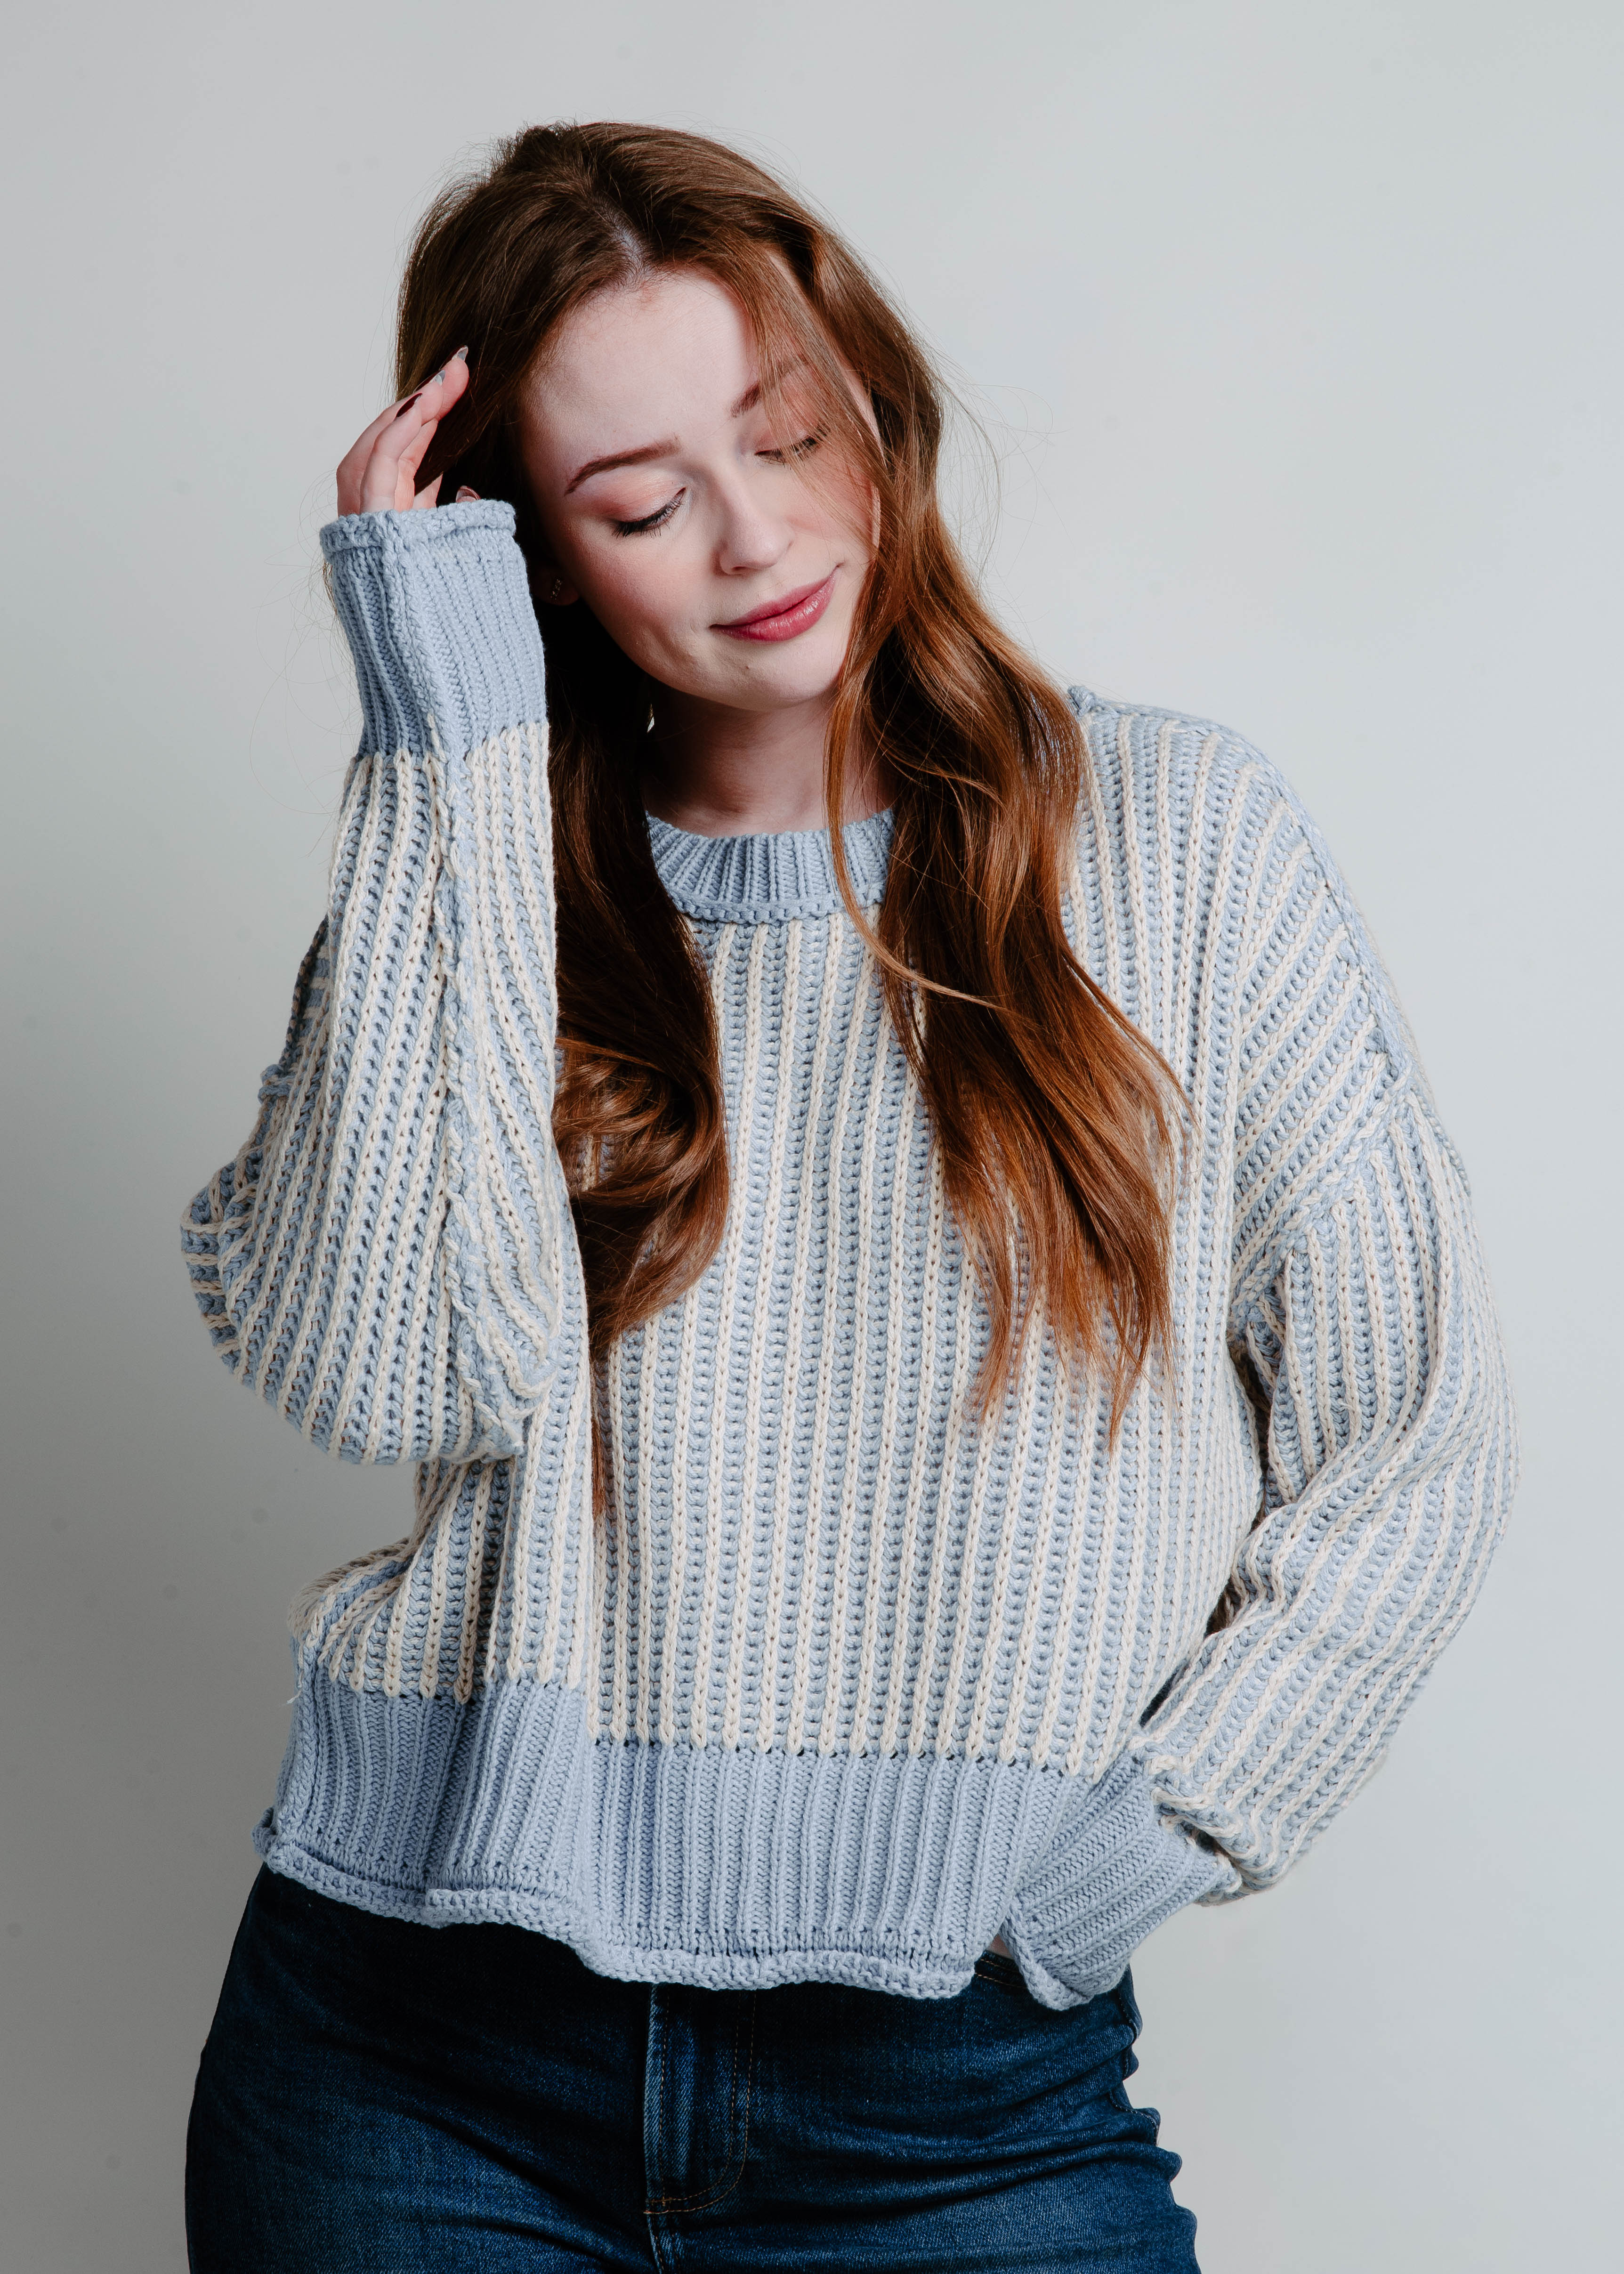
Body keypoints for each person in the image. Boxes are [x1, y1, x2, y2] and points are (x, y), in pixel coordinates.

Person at [180, 121, 1517, 2273]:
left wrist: (1142, 1841)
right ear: (536, 557)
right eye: (639, 503)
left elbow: (1415, 1433)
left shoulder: (1179, 846)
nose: (753, 536)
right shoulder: (480, 885)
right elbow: (379, 1369)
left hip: (954, 2105)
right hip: (411, 2061)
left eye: (785, 433)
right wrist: (438, 721)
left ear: (867, 403)